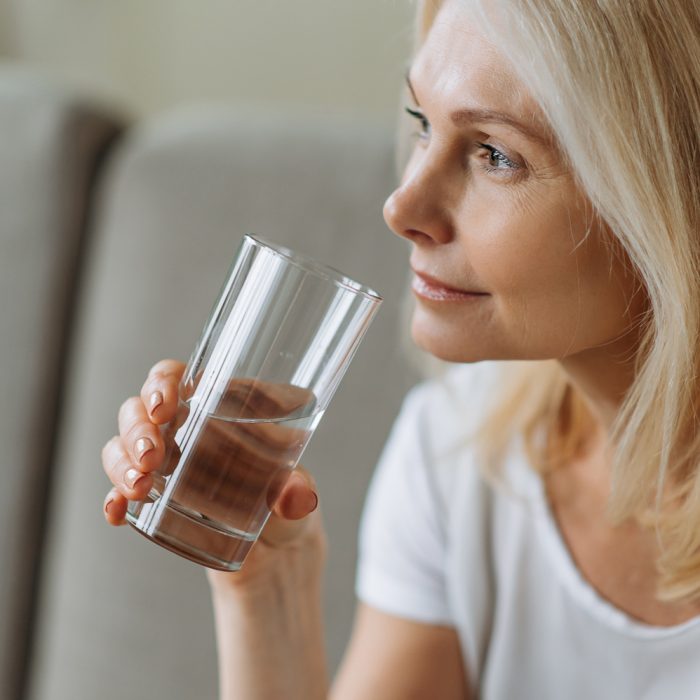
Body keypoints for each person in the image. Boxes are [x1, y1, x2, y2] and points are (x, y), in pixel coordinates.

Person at [100, 0, 700, 697]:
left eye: (496, 155)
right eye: (422, 125)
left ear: (671, 192)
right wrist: (265, 587)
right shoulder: (458, 452)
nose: (401, 205)